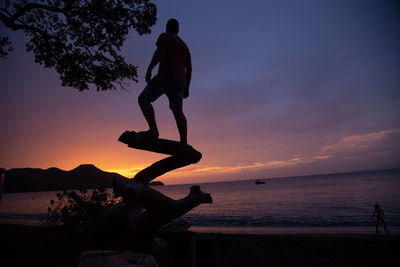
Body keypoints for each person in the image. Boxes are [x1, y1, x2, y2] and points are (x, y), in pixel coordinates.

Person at [138, 18, 192, 144]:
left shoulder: (165, 36)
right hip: (180, 80)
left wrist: (149, 69)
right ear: (177, 30)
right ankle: (184, 142)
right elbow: (189, 68)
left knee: (143, 99)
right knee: (178, 111)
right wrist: (187, 87)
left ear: (167, 28)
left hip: (166, 75)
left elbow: (159, 52)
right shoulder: (185, 46)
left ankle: (153, 130)